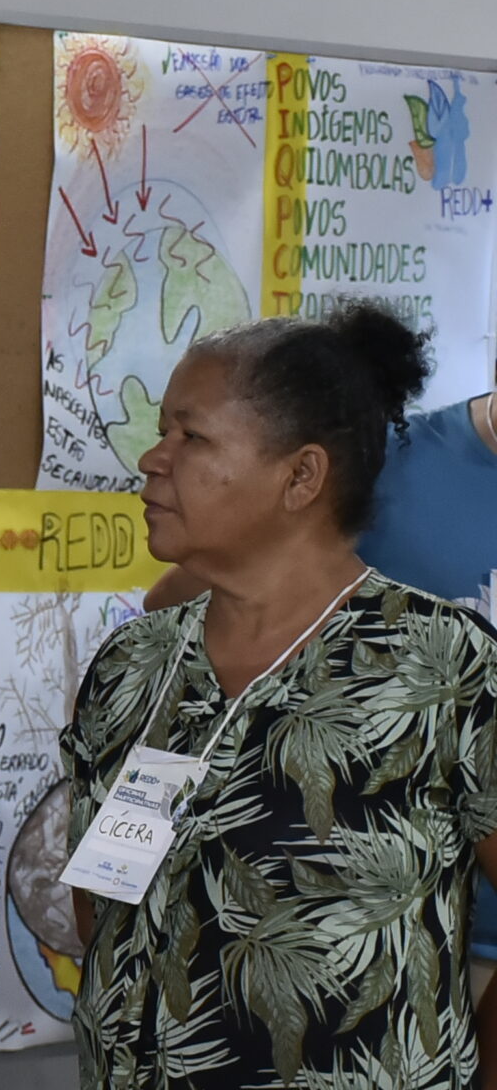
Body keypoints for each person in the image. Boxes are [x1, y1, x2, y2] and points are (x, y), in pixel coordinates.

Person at [53, 304, 497, 1090]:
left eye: (190, 437)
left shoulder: (438, 670)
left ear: (301, 475)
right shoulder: (137, 669)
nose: (153, 460)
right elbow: (97, 899)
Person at [142, 377, 497, 963]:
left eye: (192, 436)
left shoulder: (460, 655)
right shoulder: (396, 463)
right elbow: (185, 604)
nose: (155, 460)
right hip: (359, 940)